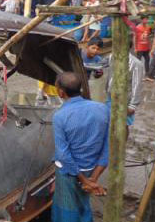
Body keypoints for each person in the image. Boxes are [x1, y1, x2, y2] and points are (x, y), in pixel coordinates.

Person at [51, 72, 108, 222]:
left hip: (70, 173)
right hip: (91, 170)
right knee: (84, 205)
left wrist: (84, 181)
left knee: (67, 210)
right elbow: (106, 148)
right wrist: (93, 179)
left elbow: (63, 155)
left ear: (61, 92)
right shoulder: (102, 109)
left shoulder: (60, 116)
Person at [105, 40, 144, 138]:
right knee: (111, 122)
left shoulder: (136, 64)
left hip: (125, 100)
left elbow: (137, 85)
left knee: (123, 124)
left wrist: (133, 105)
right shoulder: (111, 57)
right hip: (111, 97)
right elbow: (104, 70)